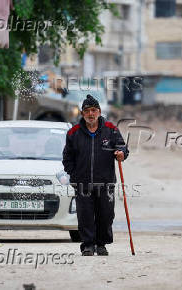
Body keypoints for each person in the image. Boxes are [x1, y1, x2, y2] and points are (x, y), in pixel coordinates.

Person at [62, 94, 129, 256]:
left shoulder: (111, 130)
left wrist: (121, 153)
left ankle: (101, 244)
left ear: (99, 111)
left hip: (105, 182)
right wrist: (75, 175)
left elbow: (123, 148)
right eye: (87, 111)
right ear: (82, 113)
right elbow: (67, 158)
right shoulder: (74, 132)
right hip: (82, 183)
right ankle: (88, 245)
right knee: (85, 215)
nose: (90, 114)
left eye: (93, 110)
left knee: (105, 214)